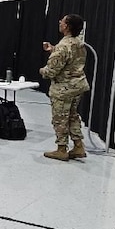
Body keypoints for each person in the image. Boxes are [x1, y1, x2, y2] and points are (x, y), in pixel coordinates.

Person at [40, 14, 90, 161]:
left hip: (63, 90)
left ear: (66, 26)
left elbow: (51, 71)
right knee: (73, 116)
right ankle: (78, 146)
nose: (59, 22)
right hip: (78, 86)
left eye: (62, 21)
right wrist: (53, 49)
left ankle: (61, 149)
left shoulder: (63, 47)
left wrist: (42, 70)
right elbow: (70, 59)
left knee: (60, 119)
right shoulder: (79, 43)